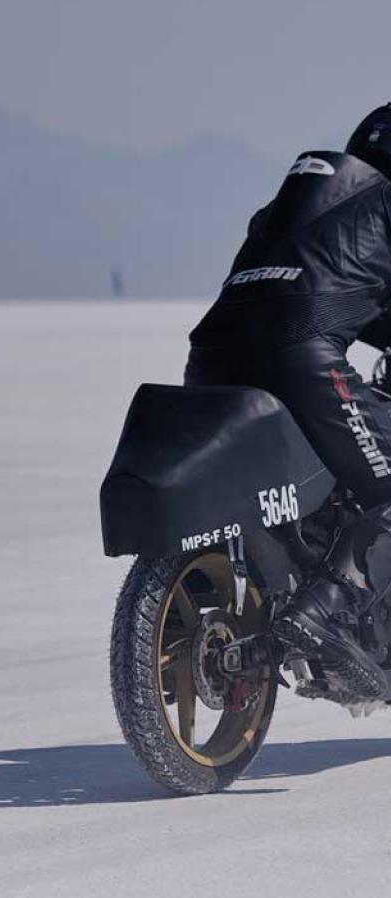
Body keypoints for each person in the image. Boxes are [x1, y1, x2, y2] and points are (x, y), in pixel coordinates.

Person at [187, 103, 391, 699]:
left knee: (313, 487)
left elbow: (320, 283)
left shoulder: (297, 206)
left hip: (211, 356)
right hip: (301, 359)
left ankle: (276, 584)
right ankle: (327, 607)